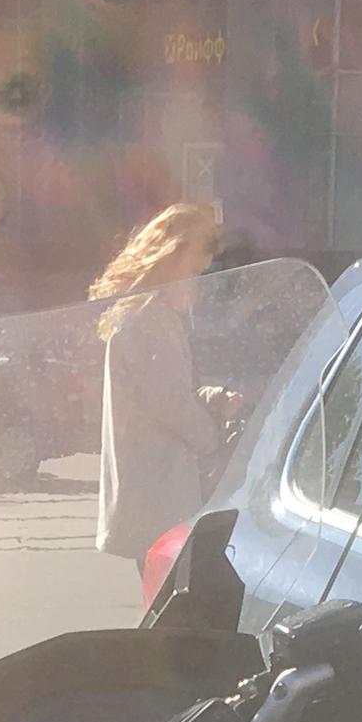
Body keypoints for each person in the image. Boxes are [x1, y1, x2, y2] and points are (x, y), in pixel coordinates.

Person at [88, 198, 229, 562]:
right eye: (194, 271)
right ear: (171, 261)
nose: (197, 284)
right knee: (169, 589)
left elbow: (170, 391)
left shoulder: (155, 317)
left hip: (160, 492)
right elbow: (169, 403)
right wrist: (215, 442)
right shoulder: (144, 322)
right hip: (156, 495)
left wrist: (212, 398)